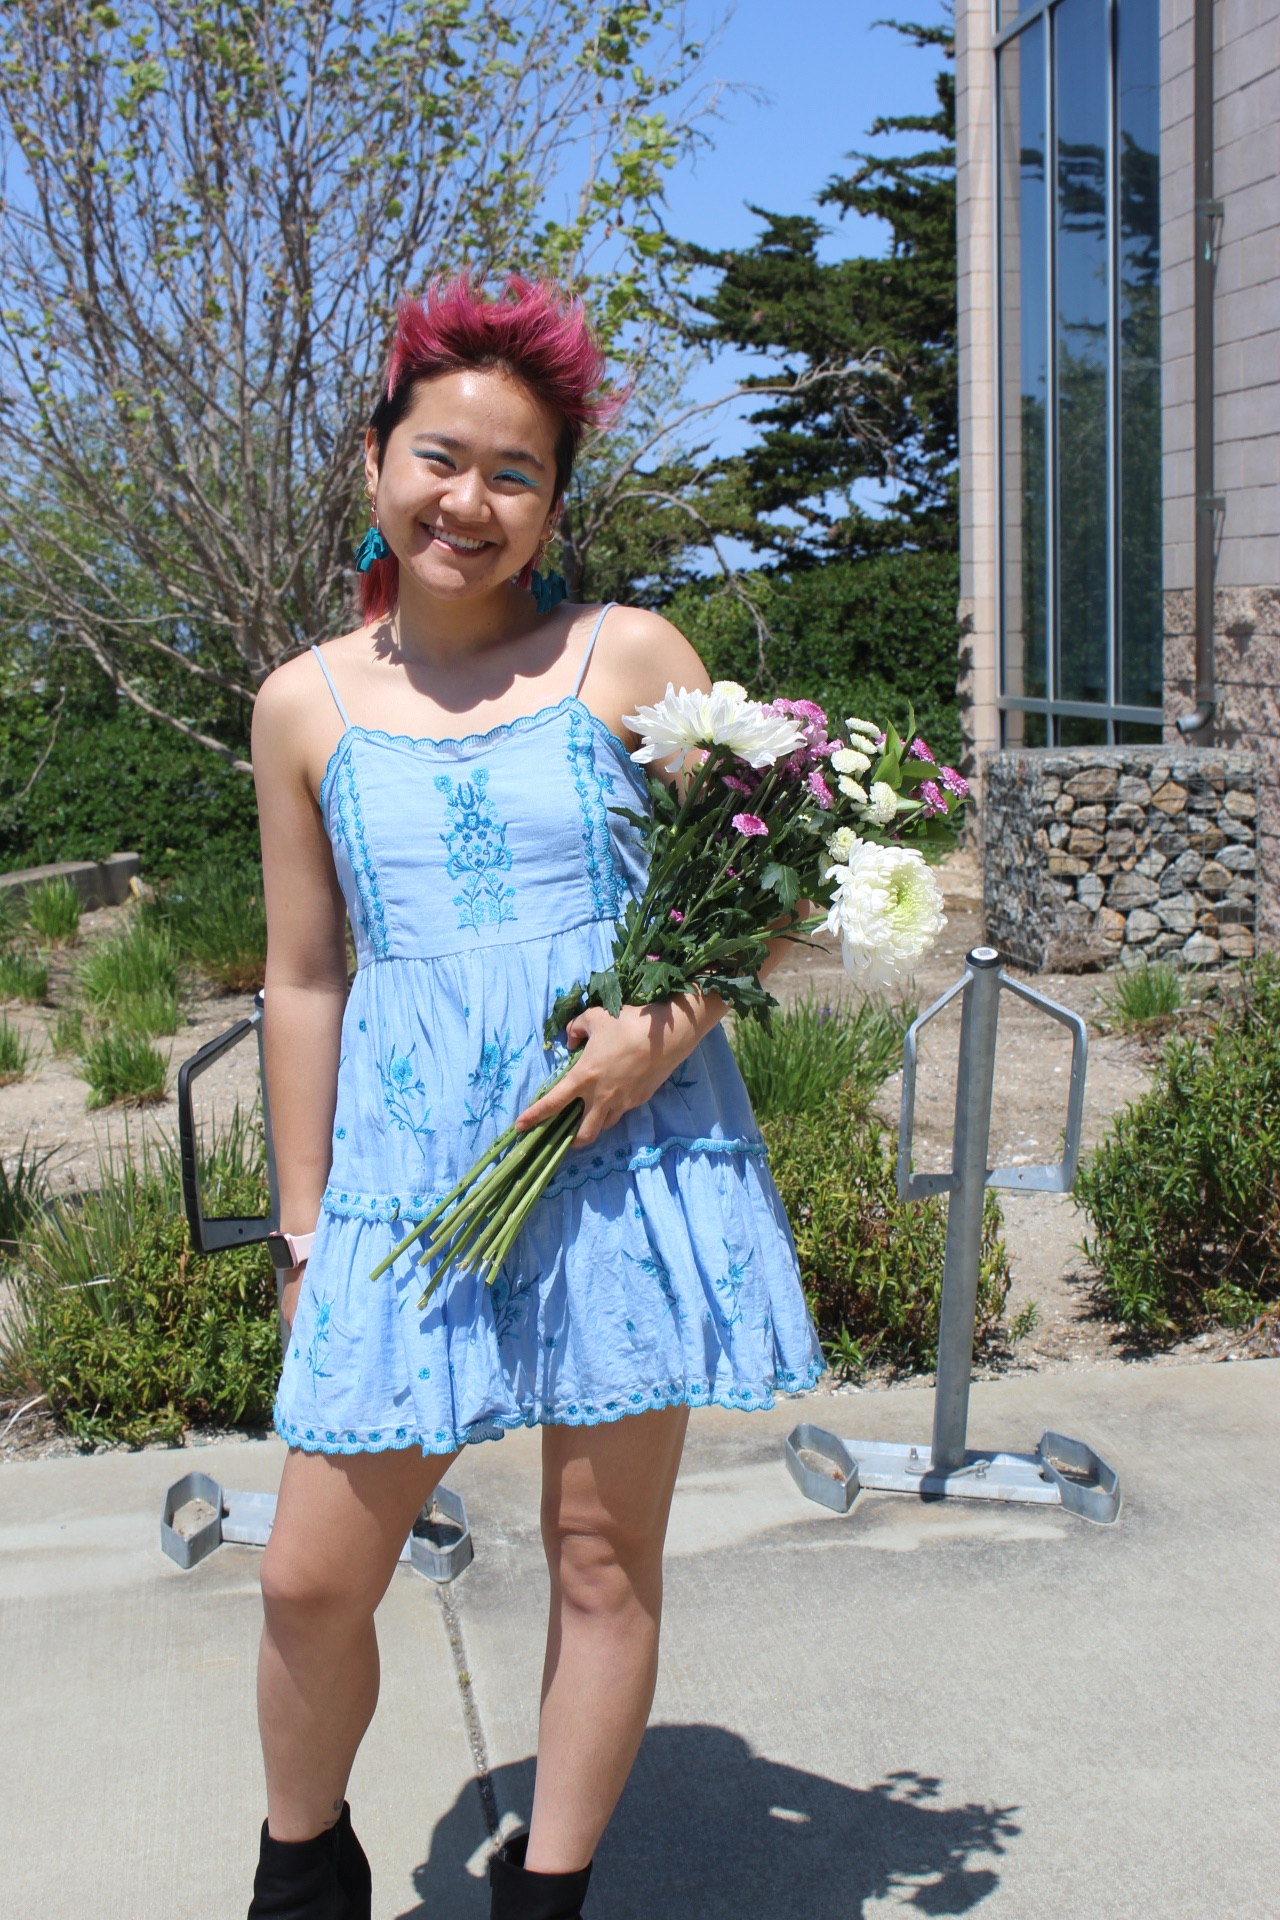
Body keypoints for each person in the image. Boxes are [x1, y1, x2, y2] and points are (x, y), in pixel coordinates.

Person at [248, 274, 822, 1920]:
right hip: (404, 1179)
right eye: (441, 457)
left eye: (515, 473)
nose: (470, 500)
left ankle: (546, 1895)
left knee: (595, 1560)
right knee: (305, 1578)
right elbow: (306, 974)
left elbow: (761, 878)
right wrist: (303, 1234)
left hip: (629, 1158)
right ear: (374, 460)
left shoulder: (626, 654)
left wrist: (670, 1023)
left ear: (554, 502)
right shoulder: (305, 702)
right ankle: (304, 1864)